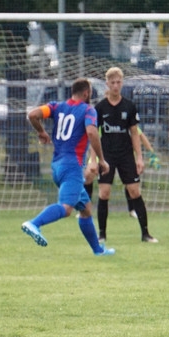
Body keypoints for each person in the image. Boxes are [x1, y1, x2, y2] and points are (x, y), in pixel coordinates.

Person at [21, 78, 115, 256]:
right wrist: (101, 160)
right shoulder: (88, 110)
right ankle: (34, 223)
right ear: (86, 93)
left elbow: (33, 115)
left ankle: (98, 250)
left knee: (85, 208)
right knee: (66, 208)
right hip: (72, 167)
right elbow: (92, 132)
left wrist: (41, 131)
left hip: (57, 165)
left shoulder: (56, 106)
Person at [89, 67, 158, 243]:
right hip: (106, 156)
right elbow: (94, 135)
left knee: (134, 191)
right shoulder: (100, 108)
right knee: (104, 193)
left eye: (118, 82)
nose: (115, 85)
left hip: (126, 155)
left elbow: (135, 133)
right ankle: (102, 234)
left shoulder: (129, 106)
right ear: (107, 84)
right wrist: (93, 160)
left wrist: (139, 158)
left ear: (122, 83)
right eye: (112, 82)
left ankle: (145, 234)